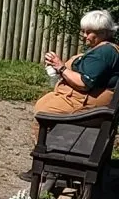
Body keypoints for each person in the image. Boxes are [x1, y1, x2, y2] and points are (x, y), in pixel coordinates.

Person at [26, 9, 119, 174]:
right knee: (44, 107)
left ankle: (46, 166)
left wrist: (60, 66)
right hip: (84, 101)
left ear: (104, 33)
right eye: (83, 31)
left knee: (43, 116)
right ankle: (48, 162)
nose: (84, 35)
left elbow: (84, 83)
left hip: (88, 106)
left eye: (89, 32)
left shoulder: (104, 53)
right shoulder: (104, 49)